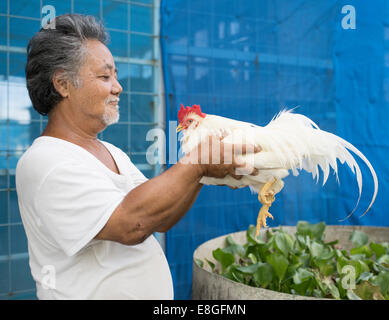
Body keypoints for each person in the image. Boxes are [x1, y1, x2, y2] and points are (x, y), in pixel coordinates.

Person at [16, 14, 259, 300]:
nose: (118, 87)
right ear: (63, 84)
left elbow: (159, 218)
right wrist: (198, 163)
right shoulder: (46, 161)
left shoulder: (110, 152)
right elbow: (133, 224)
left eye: (115, 75)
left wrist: (203, 173)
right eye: (105, 76)